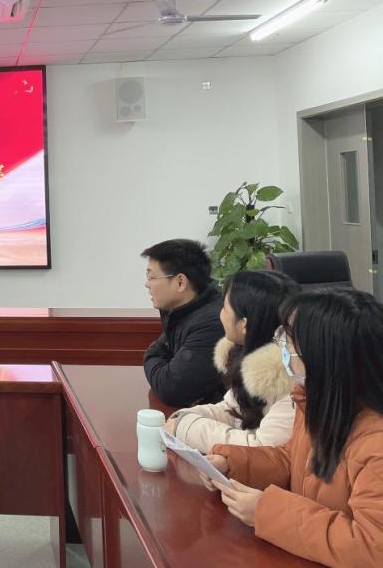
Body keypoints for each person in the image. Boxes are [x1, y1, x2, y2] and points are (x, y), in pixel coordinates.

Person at [204, 288, 383, 567]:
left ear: (323, 357)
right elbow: (293, 460)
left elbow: (372, 547)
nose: (282, 349)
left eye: (289, 341)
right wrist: (232, 463)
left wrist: (267, 512)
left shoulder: (375, 442)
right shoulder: (316, 402)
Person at [164, 270, 299, 452]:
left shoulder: (293, 380)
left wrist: (187, 428)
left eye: (225, 308)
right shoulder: (251, 362)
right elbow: (231, 410)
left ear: (244, 324)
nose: (220, 314)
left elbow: (262, 449)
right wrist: (182, 418)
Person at [141, 239, 225, 407]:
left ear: (180, 282)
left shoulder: (212, 323)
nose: (146, 284)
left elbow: (170, 388)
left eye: (152, 277)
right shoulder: (180, 310)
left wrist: (153, 356)